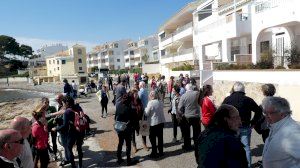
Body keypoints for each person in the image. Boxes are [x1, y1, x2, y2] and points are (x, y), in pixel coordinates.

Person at [222, 82, 262, 167]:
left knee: (231, 147)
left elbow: (222, 112)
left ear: (234, 89)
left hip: (232, 127)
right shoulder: (248, 99)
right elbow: (258, 111)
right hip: (245, 126)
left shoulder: (228, 99)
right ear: (243, 90)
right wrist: (253, 122)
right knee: (246, 147)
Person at [262, 97, 300, 168]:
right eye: (265, 113)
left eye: (270, 113)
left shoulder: (292, 132)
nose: (266, 116)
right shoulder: (276, 125)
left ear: (283, 114)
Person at [178, 83, 201, 163]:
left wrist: (182, 114)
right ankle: (197, 145)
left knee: (187, 132)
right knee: (197, 132)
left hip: (187, 116)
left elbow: (180, 107)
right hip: (196, 116)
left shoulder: (183, 96)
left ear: (186, 88)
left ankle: (187, 146)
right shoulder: (197, 94)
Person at [52, 96, 77, 168]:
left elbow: (65, 126)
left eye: (63, 103)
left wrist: (55, 128)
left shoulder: (67, 112)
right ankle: (71, 163)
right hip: (74, 132)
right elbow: (68, 122)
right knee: (68, 149)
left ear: (66, 103)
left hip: (69, 133)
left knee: (69, 150)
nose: (63, 104)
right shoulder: (73, 108)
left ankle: (73, 166)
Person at [115, 93, 138, 166]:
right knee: (128, 144)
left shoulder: (118, 106)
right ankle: (128, 160)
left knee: (120, 143)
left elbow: (115, 116)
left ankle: (119, 158)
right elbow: (134, 119)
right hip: (127, 128)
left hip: (119, 128)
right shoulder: (130, 108)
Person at [145, 90, 166, 158]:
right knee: (160, 138)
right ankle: (161, 152)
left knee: (152, 138)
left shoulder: (150, 103)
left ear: (151, 96)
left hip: (153, 123)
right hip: (160, 122)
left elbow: (146, 113)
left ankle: (154, 153)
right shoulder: (160, 102)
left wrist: (145, 109)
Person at [32, 103, 49, 168]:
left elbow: (46, 136)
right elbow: (33, 141)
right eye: (44, 113)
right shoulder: (36, 127)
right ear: (41, 115)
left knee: (45, 161)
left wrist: (46, 126)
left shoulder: (42, 124)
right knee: (42, 162)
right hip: (39, 148)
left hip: (44, 146)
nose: (45, 114)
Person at [129, 88, 144, 153]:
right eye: (135, 94)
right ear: (132, 94)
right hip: (132, 120)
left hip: (139, 119)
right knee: (132, 134)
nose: (136, 95)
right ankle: (134, 146)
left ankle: (144, 144)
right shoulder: (130, 102)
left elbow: (142, 108)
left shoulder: (139, 100)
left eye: (137, 94)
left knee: (143, 132)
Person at [138, 81, 150, 151]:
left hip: (142, 111)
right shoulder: (146, 90)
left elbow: (138, 99)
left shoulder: (141, 91)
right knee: (145, 125)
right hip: (146, 110)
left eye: (139, 85)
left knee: (143, 126)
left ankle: (144, 144)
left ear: (141, 85)